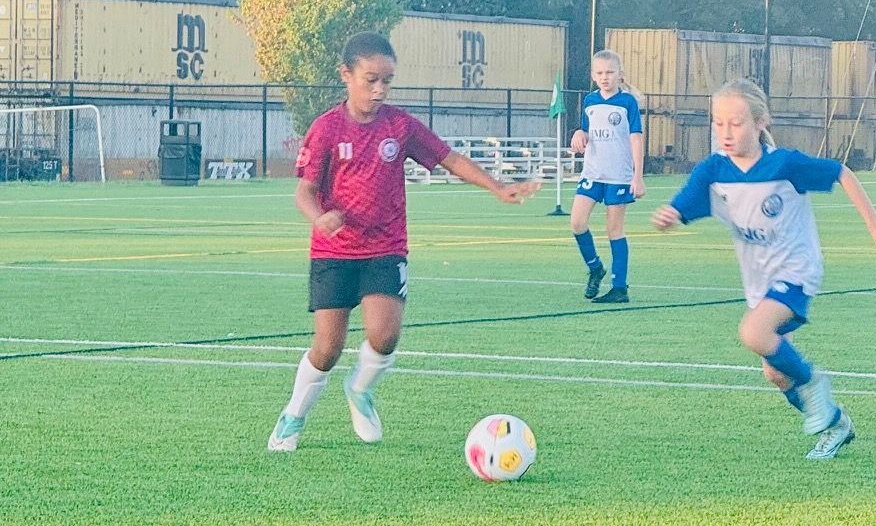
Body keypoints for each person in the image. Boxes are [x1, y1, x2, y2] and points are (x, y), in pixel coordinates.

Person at [268, 32, 539, 453]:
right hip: (334, 251)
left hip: (386, 245)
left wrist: (496, 186)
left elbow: (450, 158)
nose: (379, 90)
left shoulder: (400, 125)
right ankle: (294, 414)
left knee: (385, 335)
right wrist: (319, 217)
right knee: (327, 347)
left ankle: (360, 390)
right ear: (347, 75)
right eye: (370, 79)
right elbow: (303, 191)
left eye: (387, 81)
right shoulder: (325, 129)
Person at [651, 77, 876, 461]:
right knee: (775, 373)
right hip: (760, 283)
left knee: (753, 331)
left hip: (797, 271)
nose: (726, 132)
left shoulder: (784, 164)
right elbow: (684, 205)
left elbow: (841, 173)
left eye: (736, 123)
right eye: (718, 123)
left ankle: (814, 382)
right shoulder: (713, 171)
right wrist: (670, 215)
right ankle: (835, 424)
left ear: (760, 121)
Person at [569, 49, 645, 304]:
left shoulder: (627, 103)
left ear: (620, 75)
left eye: (610, 72)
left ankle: (619, 288)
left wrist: (638, 176)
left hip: (618, 176)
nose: (605, 77)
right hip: (593, 173)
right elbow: (586, 131)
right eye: (600, 73)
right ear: (593, 75)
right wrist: (579, 134)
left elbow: (636, 138)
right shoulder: (590, 101)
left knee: (614, 230)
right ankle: (595, 268)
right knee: (577, 222)